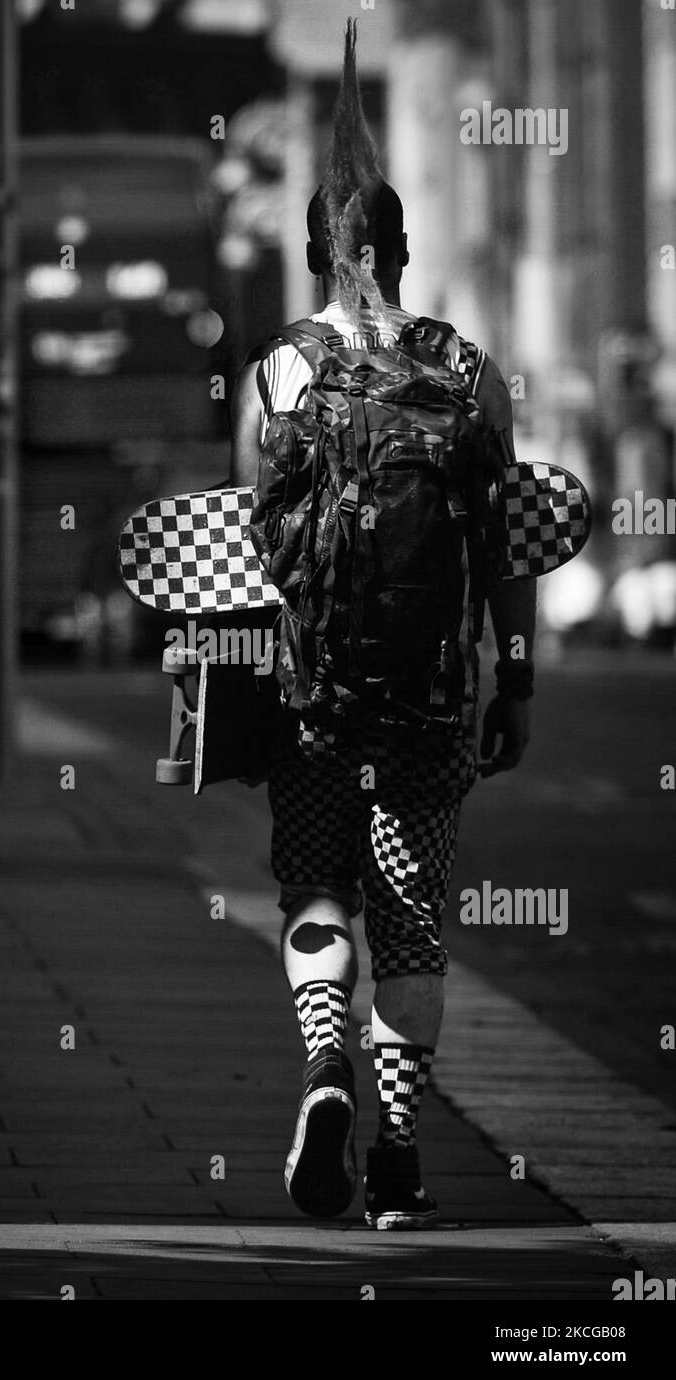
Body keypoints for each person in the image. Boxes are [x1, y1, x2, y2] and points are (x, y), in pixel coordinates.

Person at [230, 21, 536, 1228]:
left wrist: (216, 695)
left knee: (315, 884)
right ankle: (399, 1152)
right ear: (401, 255)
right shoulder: (466, 371)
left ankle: (321, 1072)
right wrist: (511, 682)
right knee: (412, 911)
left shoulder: (275, 375)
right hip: (430, 697)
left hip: (307, 698)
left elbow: (237, 557)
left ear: (316, 258)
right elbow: (512, 546)